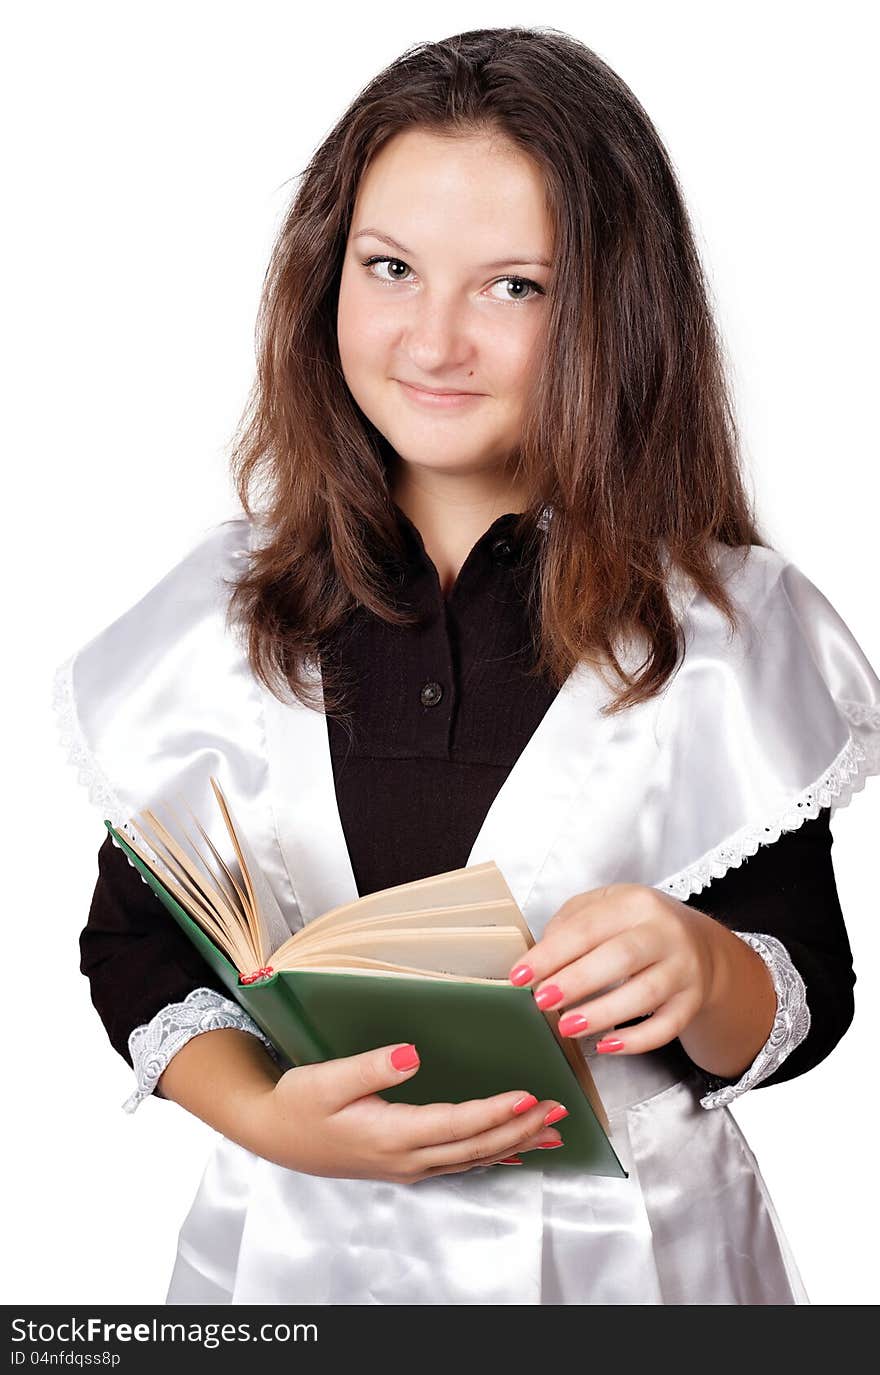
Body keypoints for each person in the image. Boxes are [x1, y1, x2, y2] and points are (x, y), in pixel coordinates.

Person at [53, 27, 879, 1305]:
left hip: (633, 1265)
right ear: (324, 274)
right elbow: (138, 948)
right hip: (296, 1260)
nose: (434, 343)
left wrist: (704, 967)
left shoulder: (721, 626)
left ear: (618, 309)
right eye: (391, 269)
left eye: (515, 287)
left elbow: (806, 984)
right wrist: (273, 1119)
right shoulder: (223, 616)